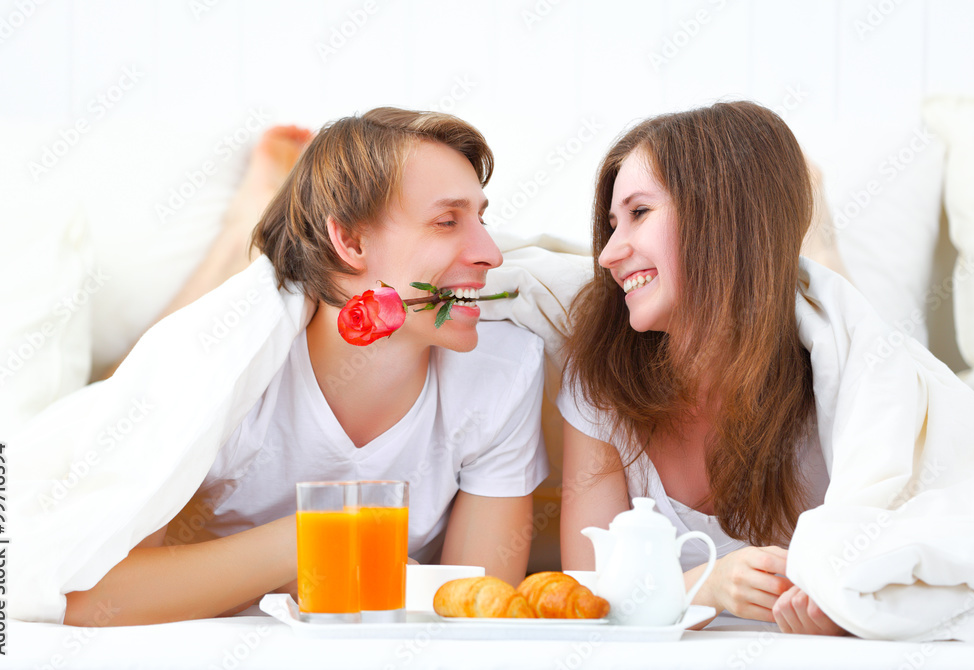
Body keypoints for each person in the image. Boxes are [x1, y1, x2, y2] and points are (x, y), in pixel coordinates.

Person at [64, 107, 549, 626]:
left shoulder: (503, 368)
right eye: (447, 221)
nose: (491, 254)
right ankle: (242, 232)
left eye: (481, 219)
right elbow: (90, 595)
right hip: (136, 396)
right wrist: (309, 542)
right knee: (119, 381)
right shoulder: (223, 368)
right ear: (351, 242)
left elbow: (477, 609)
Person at [558, 101, 866, 636]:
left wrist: (847, 609)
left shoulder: (841, 374)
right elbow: (583, 596)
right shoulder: (601, 377)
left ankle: (814, 234)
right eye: (610, 224)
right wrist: (710, 582)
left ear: (721, 215)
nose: (608, 254)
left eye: (638, 213)